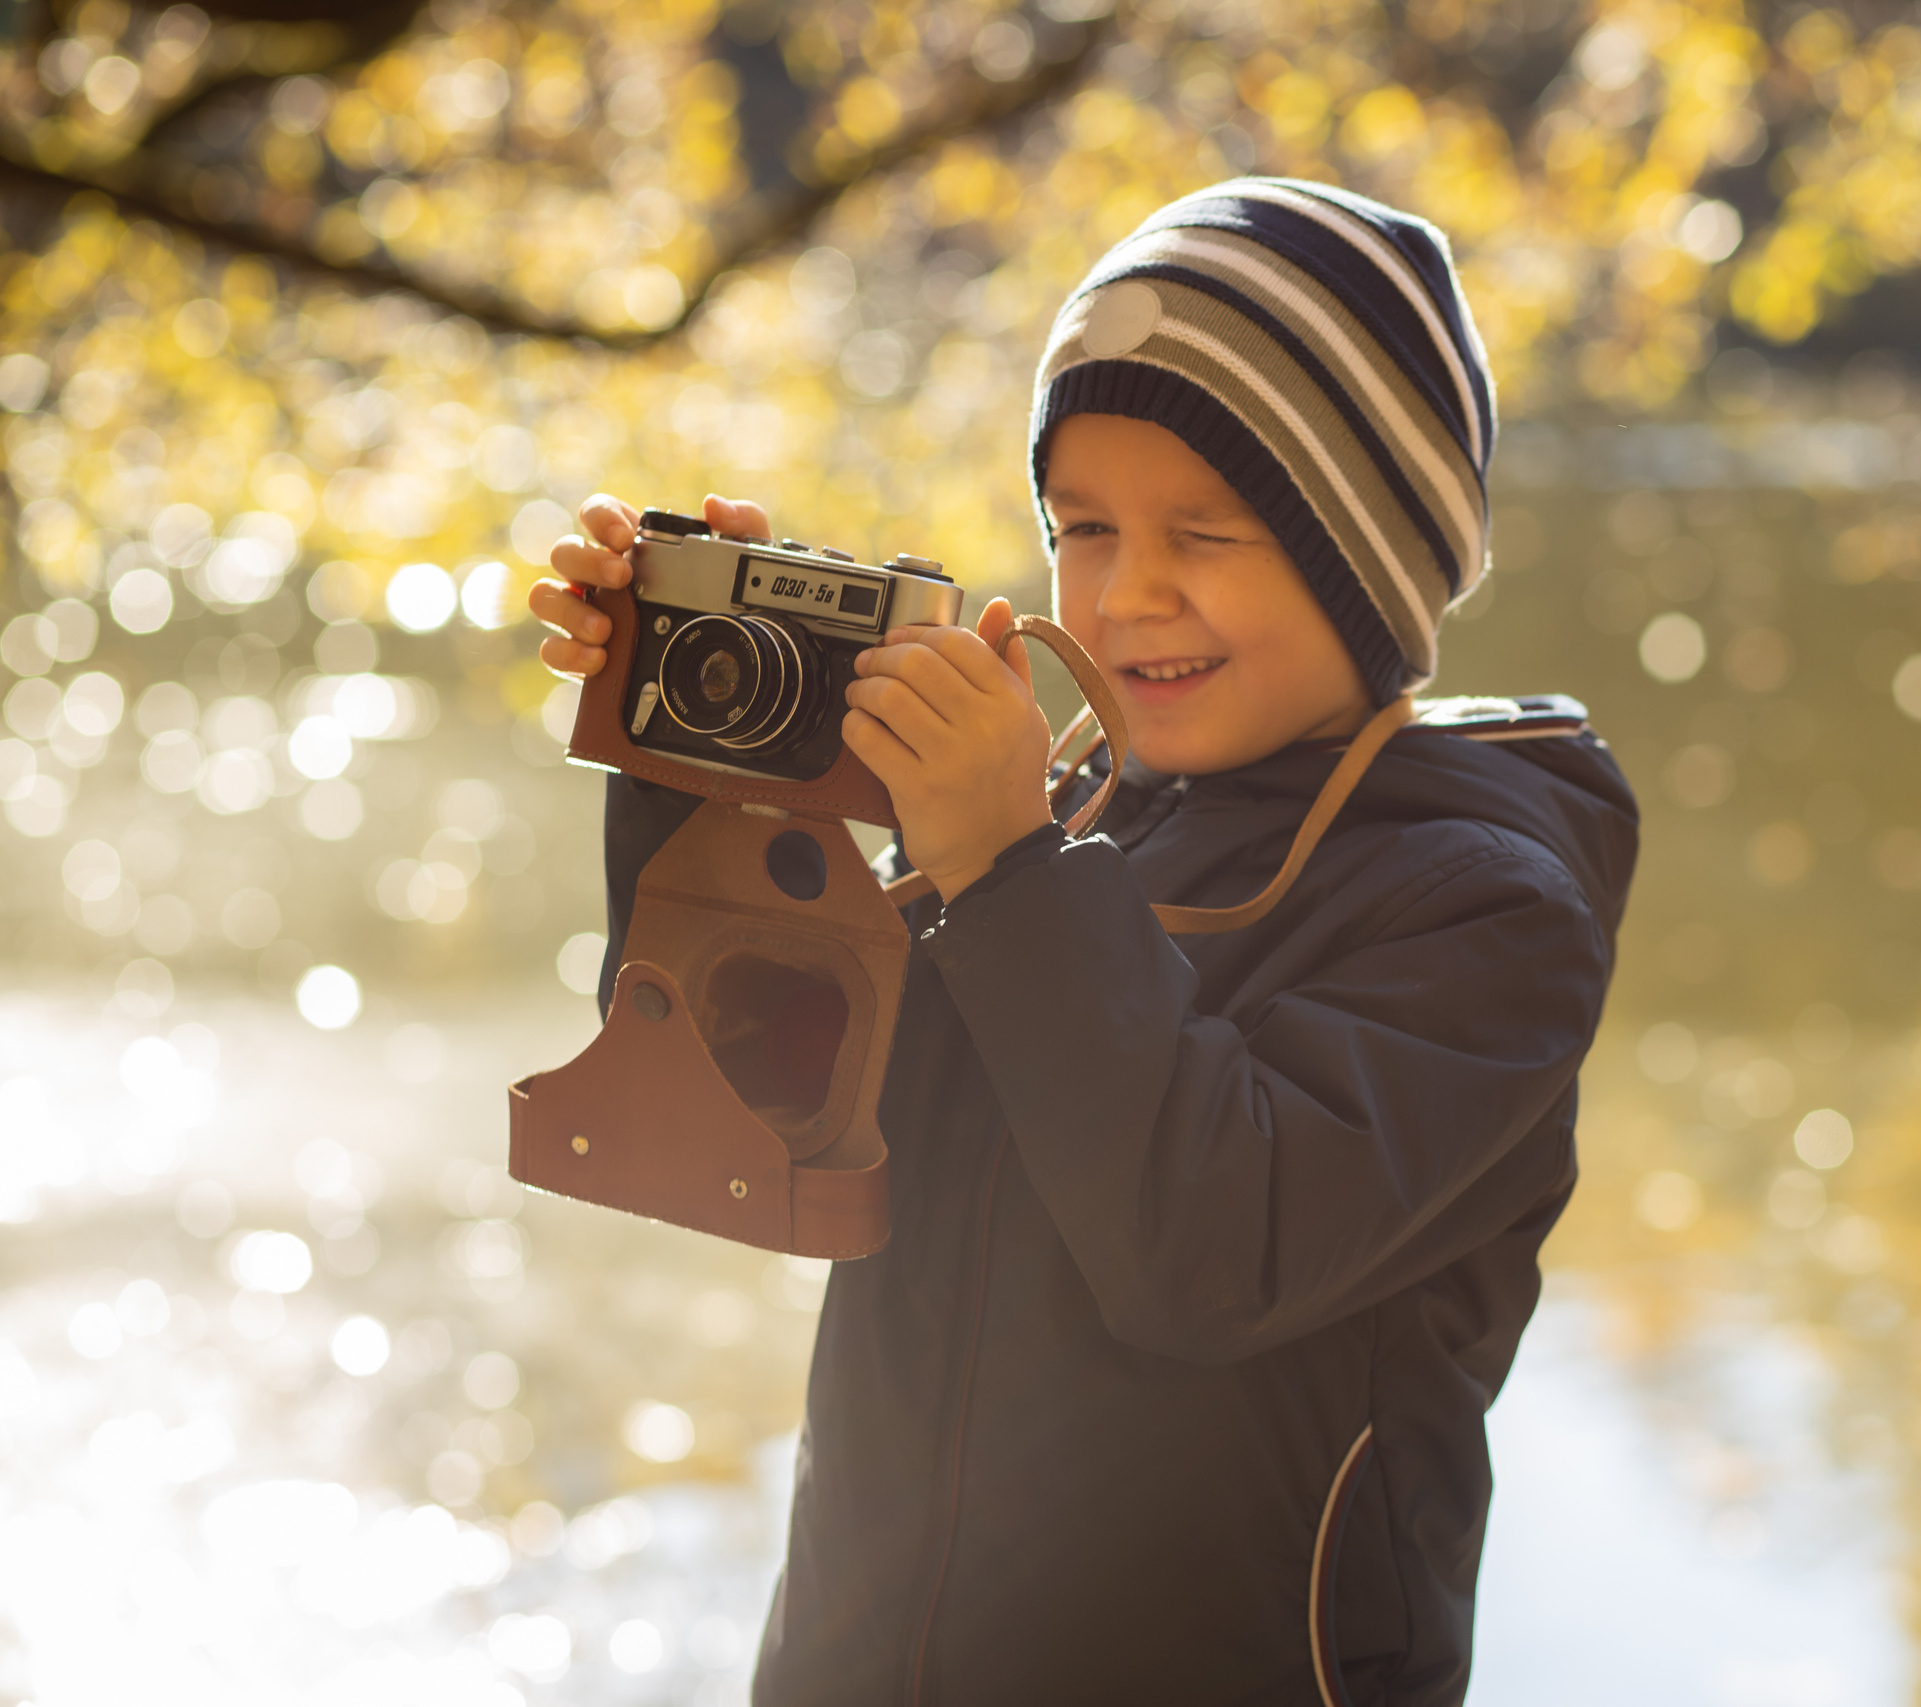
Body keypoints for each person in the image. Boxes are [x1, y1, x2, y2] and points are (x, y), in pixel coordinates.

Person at [531, 177, 1637, 1707]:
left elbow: (1213, 1252)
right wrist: (699, 754)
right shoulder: (1056, 826)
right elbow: (770, 1114)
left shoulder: (1483, 904)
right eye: (1083, 526)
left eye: (1210, 530)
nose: (1127, 592)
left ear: (1369, 553)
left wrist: (1005, 866)